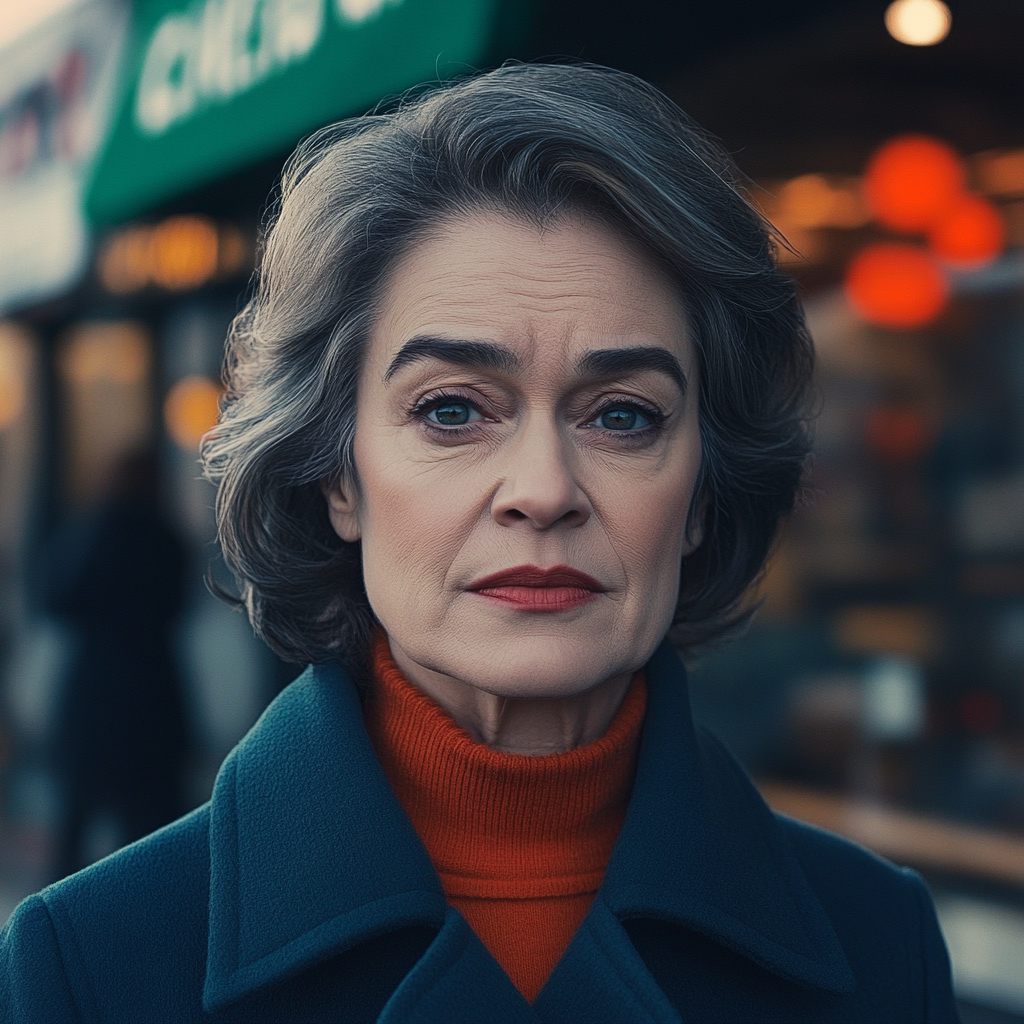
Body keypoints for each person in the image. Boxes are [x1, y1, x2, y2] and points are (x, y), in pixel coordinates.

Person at [0, 64, 958, 1023]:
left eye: (623, 417)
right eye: (452, 410)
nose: (543, 492)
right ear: (338, 474)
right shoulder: (89, 965)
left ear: (703, 490)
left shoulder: (879, 944)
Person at [38, 449, 190, 882]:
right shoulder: (165, 538)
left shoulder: (88, 533)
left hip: (94, 692)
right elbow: (178, 604)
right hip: (151, 693)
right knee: (152, 830)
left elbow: (57, 599)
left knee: (75, 823)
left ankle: (58, 931)